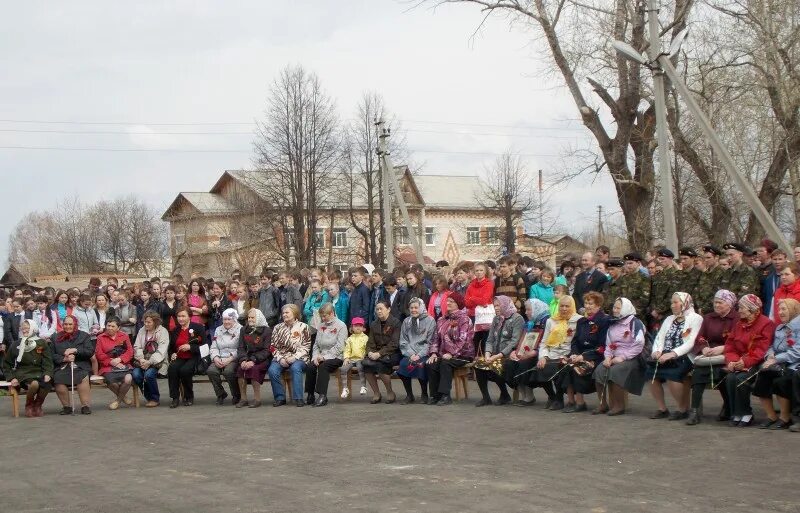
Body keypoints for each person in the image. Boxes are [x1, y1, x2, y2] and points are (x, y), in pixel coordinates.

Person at [646, 292, 702, 421]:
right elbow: (660, 337)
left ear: (685, 303)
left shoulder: (696, 318)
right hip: (665, 354)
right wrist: (657, 351)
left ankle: (682, 409)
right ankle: (662, 408)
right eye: (672, 302)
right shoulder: (669, 318)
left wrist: (673, 353)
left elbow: (691, 342)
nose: (672, 305)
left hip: (684, 355)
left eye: (676, 302)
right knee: (651, 374)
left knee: (673, 375)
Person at [687, 290, 738, 425]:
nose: (716, 305)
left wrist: (723, 348)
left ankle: (728, 407)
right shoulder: (709, 317)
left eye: (720, 302)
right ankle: (694, 411)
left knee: (722, 373)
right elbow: (701, 337)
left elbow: (738, 340)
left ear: (729, 304)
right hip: (709, 354)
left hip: (727, 354)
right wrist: (704, 347)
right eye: (715, 302)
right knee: (698, 373)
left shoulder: (737, 319)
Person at [723, 294, 774, 427]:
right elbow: (730, 346)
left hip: (757, 362)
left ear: (752, 310)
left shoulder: (766, 324)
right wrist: (733, 361)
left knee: (741, 379)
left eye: (742, 308)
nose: (739, 311)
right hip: (739, 361)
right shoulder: (739, 324)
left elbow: (762, 349)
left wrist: (744, 362)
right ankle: (736, 413)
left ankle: (746, 413)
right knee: (730, 378)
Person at [593, 298, 646, 415]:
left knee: (616, 371)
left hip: (632, 357)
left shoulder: (635, 323)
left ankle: (619, 406)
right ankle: (603, 404)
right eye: (614, 307)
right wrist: (607, 357)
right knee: (599, 370)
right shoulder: (613, 323)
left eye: (618, 308)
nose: (615, 310)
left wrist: (623, 357)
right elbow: (609, 344)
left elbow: (639, 344)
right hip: (614, 356)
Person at [752, 298, 800, 429]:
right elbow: (772, 346)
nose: (780, 312)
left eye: (784, 309)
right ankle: (771, 416)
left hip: (793, 365)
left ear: (793, 309)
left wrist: (776, 359)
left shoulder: (798, 326)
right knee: (763, 378)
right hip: (778, 363)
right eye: (779, 309)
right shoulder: (779, 327)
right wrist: (770, 355)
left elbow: (797, 352)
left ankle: (785, 417)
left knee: (780, 381)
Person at [560, 292, 612, 413]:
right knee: (565, 363)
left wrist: (583, 356)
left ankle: (580, 402)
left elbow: (602, 346)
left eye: (591, 303)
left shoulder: (604, 320)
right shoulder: (581, 321)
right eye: (586, 303)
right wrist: (574, 353)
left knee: (577, 367)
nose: (587, 306)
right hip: (579, 354)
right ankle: (571, 401)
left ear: (598, 305)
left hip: (596, 355)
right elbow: (575, 341)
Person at [534, 295, 581, 410]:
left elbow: (578, 342)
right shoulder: (551, 321)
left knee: (559, 367)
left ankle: (559, 398)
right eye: (562, 306)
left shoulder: (578, 320)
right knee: (539, 368)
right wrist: (543, 357)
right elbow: (544, 342)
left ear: (573, 306)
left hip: (569, 353)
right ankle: (554, 397)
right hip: (552, 353)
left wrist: (571, 355)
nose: (564, 309)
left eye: (567, 306)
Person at [426, 293, 474, 405]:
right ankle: (434, 395)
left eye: (451, 301)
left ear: (458, 304)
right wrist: (433, 353)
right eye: (447, 301)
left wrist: (452, 353)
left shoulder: (464, 319)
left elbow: (463, 339)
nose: (448, 303)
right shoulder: (442, 319)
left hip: (463, 354)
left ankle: (445, 395)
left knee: (445, 363)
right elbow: (435, 338)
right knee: (431, 363)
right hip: (444, 354)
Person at [474, 295, 523, 407]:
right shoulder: (496, 319)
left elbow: (514, 342)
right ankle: (486, 398)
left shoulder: (517, 318)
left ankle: (505, 395)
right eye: (495, 305)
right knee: (479, 364)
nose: (496, 308)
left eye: (498, 305)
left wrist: (496, 356)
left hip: (509, 355)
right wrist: (487, 354)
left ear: (505, 305)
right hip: (494, 355)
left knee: (496, 365)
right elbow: (490, 339)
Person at [2, 319, 53, 417]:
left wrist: (47, 373)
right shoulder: (16, 344)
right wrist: (12, 377)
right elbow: (7, 364)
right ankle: (29, 405)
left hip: (39, 371)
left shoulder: (41, 342)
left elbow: (48, 360)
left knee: (47, 383)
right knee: (34, 384)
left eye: (27, 328)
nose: (24, 330)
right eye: (23, 328)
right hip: (23, 373)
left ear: (33, 328)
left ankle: (37, 405)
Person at [267, 304, 311, 407]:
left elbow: (307, 346)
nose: (284, 315)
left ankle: (299, 398)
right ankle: (280, 398)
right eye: (283, 313)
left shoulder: (303, 327)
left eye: (287, 312)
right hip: (281, 357)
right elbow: (273, 347)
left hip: (299, 357)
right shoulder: (277, 328)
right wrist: (280, 358)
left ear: (294, 313)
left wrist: (294, 357)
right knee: (272, 370)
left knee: (295, 368)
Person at [51, 315, 94, 415]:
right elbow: (51, 355)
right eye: (65, 324)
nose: (67, 326)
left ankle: (85, 406)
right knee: (57, 379)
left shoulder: (84, 336)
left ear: (75, 325)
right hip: (63, 366)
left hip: (80, 365)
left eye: (70, 324)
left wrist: (76, 350)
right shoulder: (55, 337)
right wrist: (64, 359)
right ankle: (66, 407)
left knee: (83, 376)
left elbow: (90, 351)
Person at [305, 303, 346, 407]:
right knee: (310, 366)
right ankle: (310, 394)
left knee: (323, 366)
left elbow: (340, 347)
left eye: (325, 316)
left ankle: (322, 395)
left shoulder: (341, 325)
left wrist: (324, 357)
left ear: (332, 313)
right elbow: (316, 345)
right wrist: (315, 357)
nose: (323, 318)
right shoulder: (321, 326)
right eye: (321, 316)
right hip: (320, 355)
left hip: (336, 356)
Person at [397, 298, 436, 404]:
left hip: (423, 353)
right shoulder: (406, 321)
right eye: (411, 308)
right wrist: (411, 354)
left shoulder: (430, 320)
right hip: (410, 353)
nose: (413, 310)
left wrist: (419, 355)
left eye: (416, 307)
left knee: (421, 366)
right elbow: (403, 341)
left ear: (422, 307)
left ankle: (424, 393)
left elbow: (430, 342)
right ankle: (409, 395)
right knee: (403, 365)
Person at [362, 301, 401, 404]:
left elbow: (394, 343)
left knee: (380, 365)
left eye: (381, 309)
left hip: (392, 353)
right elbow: (370, 342)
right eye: (377, 309)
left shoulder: (396, 323)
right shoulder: (374, 324)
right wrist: (370, 352)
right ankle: (376, 393)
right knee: (366, 365)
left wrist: (379, 354)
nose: (379, 311)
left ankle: (390, 392)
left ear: (388, 309)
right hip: (376, 352)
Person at [167, 307, 207, 408]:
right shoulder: (175, 330)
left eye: (183, 316)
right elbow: (171, 348)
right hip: (179, 357)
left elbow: (205, 347)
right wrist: (172, 354)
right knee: (172, 369)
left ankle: (189, 396)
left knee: (185, 371)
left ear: (189, 316)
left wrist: (190, 347)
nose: (180, 319)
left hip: (194, 356)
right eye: (179, 316)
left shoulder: (198, 328)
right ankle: (175, 398)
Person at [95, 317, 134, 410]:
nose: (110, 328)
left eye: (113, 326)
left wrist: (120, 359)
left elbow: (130, 351)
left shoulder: (124, 336)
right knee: (112, 383)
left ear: (118, 328)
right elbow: (99, 354)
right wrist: (111, 362)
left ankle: (117, 401)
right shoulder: (100, 337)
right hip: (107, 366)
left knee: (128, 379)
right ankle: (123, 397)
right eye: (108, 325)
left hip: (123, 364)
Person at [236, 308, 272, 408]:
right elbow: (241, 347)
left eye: (253, 317)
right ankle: (243, 399)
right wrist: (243, 360)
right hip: (247, 357)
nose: (250, 319)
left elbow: (267, 350)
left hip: (262, 359)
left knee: (254, 369)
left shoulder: (267, 331)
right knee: (240, 369)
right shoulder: (244, 329)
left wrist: (253, 360)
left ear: (259, 318)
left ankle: (257, 399)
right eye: (249, 317)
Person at [132, 310, 169, 407]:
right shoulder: (142, 330)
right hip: (142, 360)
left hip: (157, 361)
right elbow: (137, 346)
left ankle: (155, 398)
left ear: (155, 322)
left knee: (149, 375)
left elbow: (162, 350)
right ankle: (149, 397)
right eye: (145, 321)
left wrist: (150, 362)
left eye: (149, 322)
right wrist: (141, 359)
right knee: (136, 375)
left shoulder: (163, 331)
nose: (146, 324)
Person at [207, 308, 241, 406]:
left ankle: (236, 395)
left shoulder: (240, 329)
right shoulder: (218, 329)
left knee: (228, 372)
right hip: (220, 357)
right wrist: (215, 358)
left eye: (229, 319)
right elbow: (213, 346)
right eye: (224, 319)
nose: (226, 322)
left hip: (233, 358)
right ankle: (221, 394)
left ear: (234, 319)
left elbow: (241, 348)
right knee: (211, 371)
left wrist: (230, 359)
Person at [465, 262, 495, 354]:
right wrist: (477, 300)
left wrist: (472, 298)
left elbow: (484, 300)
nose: (479, 272)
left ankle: (485, 360)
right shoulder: (471, 285)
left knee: (485, 340)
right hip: (473, 316)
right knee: (474, 340)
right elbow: (466, 303)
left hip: (485, 316)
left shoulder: (489, 284)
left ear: (485, 272)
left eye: (481, 270)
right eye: (477, 270)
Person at [340, 317, 369, 398]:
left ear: (363, 328)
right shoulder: (350, 339)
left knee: (360, 367)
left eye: (360, 325)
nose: (358, 327)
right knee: (343, 369)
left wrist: (365, 357)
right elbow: (347, 349)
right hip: (351, 359)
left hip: (361, 359)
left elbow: (367, 349)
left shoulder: (366, 338)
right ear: (352, 327)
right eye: (356, 325)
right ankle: (345, 388)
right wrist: (346, 358)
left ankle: (363, 386)